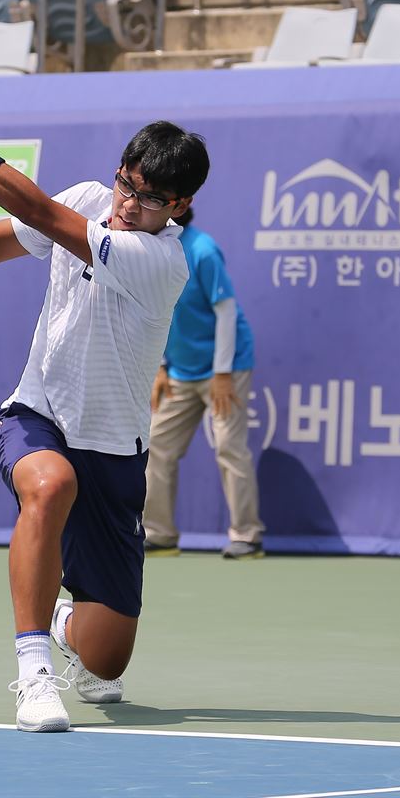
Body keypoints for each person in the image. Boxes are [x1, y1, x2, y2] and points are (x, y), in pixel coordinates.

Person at [0, 89, 210, 733]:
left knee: (106, 657)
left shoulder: (162, 260)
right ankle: (34, 673)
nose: (129, 203)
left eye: (149, 197)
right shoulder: (89, 200)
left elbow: (36, 209)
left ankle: (66, 619)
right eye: (126, 183)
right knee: (50, 484)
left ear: (179, 206)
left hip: (116, 455)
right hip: (38, 414)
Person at [143, 208, 264, 559]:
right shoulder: (148, 250)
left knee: (229, 445)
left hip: (225, 367)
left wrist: (222, 373)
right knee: (156, 445)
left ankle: (247, 536)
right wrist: (163, 365)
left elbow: (225, 311)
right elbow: (158, 312)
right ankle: (160, 534)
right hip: (180, 369)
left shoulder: (203, 250)